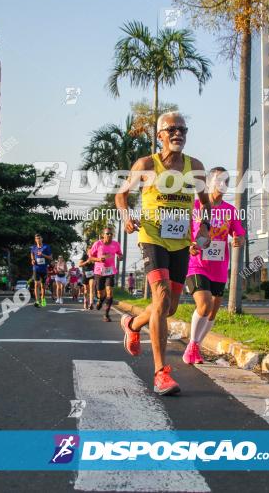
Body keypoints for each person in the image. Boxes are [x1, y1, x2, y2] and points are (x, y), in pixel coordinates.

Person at [116, 111, 211, 395]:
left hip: (181, 242)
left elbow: (205, 203)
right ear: (159, 136)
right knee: (160, 299)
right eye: (171, 129)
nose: (178, 133)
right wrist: (125, 215)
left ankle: (132, 323)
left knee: (168, 308)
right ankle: (160, 373)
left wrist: (204, 227)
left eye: (182, 129)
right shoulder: (146, 164)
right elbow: (121, 195)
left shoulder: (195, 167)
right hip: (152, 237)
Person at [183, 167, 245, 365]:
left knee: (212, 310)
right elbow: (182, 234)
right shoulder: (194, 207)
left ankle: (196, 347)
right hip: (196, 263)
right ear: (208, 183)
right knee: (204, 303)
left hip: (219, 266)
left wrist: (238, 240)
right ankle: (192, 345)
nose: (223, 184)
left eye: (226, 180)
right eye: (219, 180)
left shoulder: (230, 210)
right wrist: (189, 246)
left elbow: (239, 233)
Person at [89, 227, 123, 322]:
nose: (109, 235)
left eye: (111, 234)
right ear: (103, 235)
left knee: (109, 292)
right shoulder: (98, 244)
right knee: (101, 294)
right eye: (107, 233)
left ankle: (106, 315)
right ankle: (100, 300)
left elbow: (120, 253)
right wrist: (99, 259)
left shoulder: (116, 244)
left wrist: (120, 257)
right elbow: (90, 257)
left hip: (110, 271)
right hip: (99, 271)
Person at [30, 234, 52, 308]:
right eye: (36, 238)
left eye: (39, 238)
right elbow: (32, 254)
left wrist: (42, 255)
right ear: (35, 240)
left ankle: (43, 299)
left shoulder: (46, 247)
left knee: (43, 286)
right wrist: (32, 260)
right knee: (37, 284)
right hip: (36, 268)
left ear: (42, 239)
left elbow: (51, 258)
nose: (38, 240)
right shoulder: (34, 247)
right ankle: (37, 301)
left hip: (44, 269)